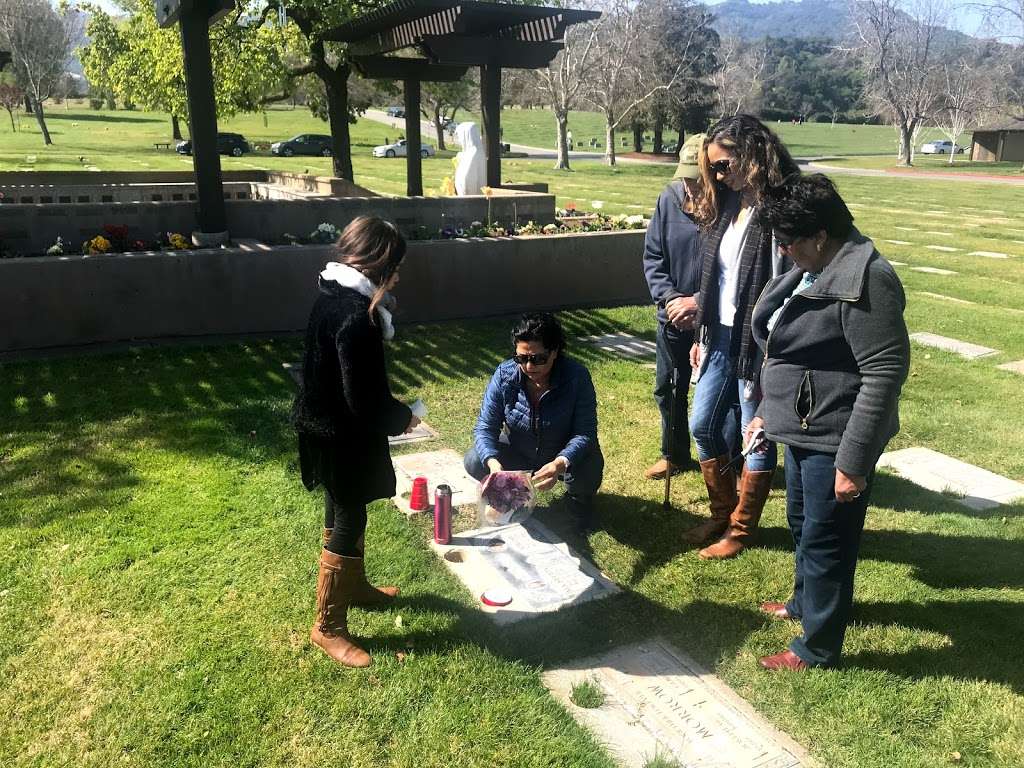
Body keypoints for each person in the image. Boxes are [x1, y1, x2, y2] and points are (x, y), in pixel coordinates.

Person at [748, 175, 909, 670]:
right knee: (802, 524)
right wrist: (764, 412)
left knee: (827, 541)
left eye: (788, 240)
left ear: (820, 234)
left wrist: (854, 462)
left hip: (835, 435)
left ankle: (816, 647)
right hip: (800, 426)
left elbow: (883, 373)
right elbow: (784, 348)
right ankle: (804, 603)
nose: (782, 249)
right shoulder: (813, 267)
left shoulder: (868, 278)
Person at [292, 216, 420, 668]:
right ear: (380, 265)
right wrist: (402, 418)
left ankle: (356, 585)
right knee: (348, 516)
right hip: (341, 435)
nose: (399, 275)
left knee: (345, 507)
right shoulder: (356, 319)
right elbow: (363, 399)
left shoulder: (329, 296)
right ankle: (327, 625)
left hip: (322, 427)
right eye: (396, 267)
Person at [686, 114, 800, 558]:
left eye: (724, 163)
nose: (718, 174)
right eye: (712, 167)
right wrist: (701, 332)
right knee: (702, 424)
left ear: (753, 152)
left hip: (760, 342)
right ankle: (721, 511)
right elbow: (716, 280)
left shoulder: (780, 211)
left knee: (757, 432)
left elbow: (791, 282)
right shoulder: (728, 208)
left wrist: (776, 349)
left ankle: (740, 530)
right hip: (720, 333)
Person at [464, 312, 604, 532]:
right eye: (521, 358)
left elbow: (585, 432)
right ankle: (513, 493)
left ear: (555, 351)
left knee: (588, 468)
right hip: (521, 448)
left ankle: (579, 499)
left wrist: (560, 463)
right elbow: (485, 426)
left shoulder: (577, 377)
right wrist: (494, 464)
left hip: (561, 451)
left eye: (538, 358)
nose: (529, 366)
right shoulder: (505, 374)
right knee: (475, 459)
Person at [641, 133, 706, 481]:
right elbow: (653, 256)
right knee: (668, 386)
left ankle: (730, 462)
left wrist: (698, 302)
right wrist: (670, 299)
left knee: (719, 397)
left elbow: (732, 269)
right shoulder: (669, 200)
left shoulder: (729, 207)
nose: (690, 187)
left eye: (697, 179)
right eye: (685, 177)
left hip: (712, 315)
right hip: (672, 315)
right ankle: (674, 453)